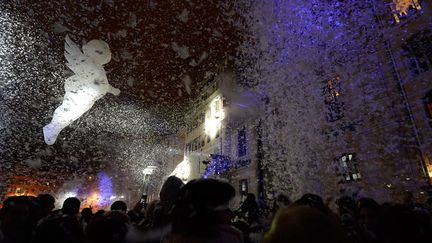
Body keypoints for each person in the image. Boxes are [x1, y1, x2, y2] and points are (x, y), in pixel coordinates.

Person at [164, 179, 243, 243]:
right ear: (206, 212)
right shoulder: (227, 238)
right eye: (225, 208)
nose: (232, 215)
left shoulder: (172, 237)